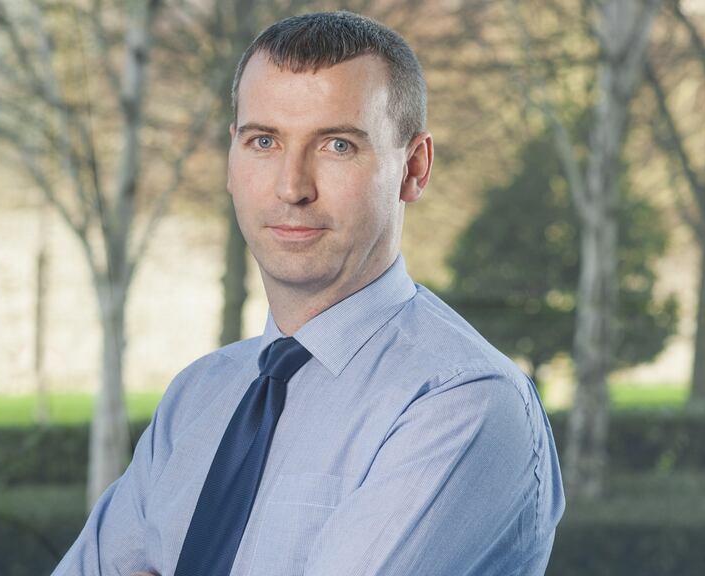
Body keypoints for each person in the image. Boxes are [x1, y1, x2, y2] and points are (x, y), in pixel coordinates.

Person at [51, 11, 564, 576]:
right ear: (231, 157)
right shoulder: (196, 397)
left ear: (413, 168)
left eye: (337, 145)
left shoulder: (463, 404)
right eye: (264, 141)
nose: (292, 187)